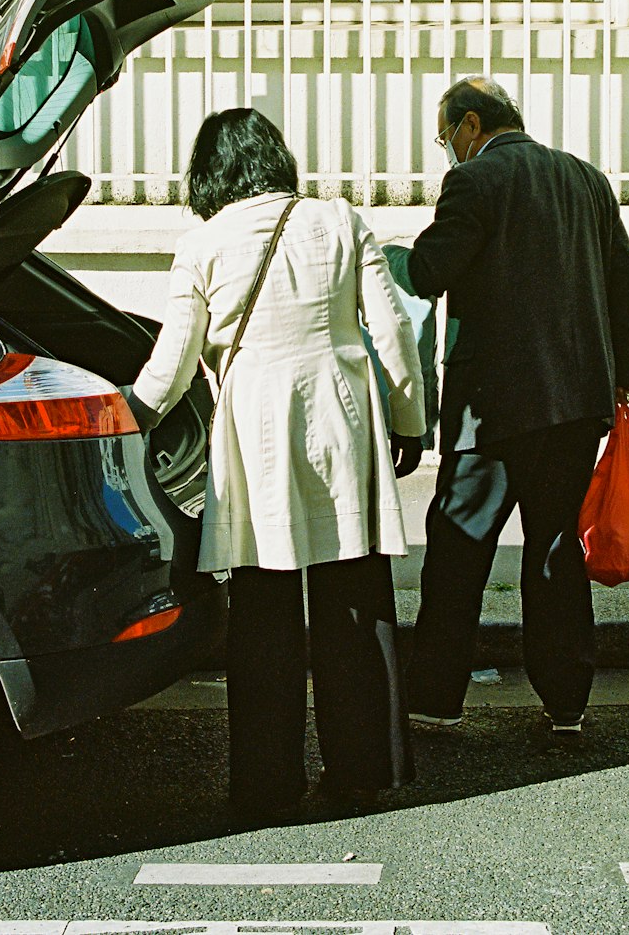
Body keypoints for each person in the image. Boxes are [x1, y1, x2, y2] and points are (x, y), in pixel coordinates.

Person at [125, 108, 426, 815]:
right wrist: (408, 420)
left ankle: (267, 781)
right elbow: (394, 333)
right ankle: (364, 770)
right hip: (341, 424)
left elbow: (169, 370)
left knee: (263, 617)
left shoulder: (201, 244)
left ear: (209, 173)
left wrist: (126, 422)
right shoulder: (341, 221)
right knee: (354, 597)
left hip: (254, 434)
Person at [400, 76, 629, 734]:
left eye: (445, 135)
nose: (447, 148)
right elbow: (627, 283)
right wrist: (625, 374)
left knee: (458, 546)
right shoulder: (586, 179)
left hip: (495, 410)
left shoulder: (475, 182)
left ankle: (436, 695)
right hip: (575, 406)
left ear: (471, 125)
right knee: (557, 549)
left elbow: (430, 270)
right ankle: (566, 697)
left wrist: (390, 263)